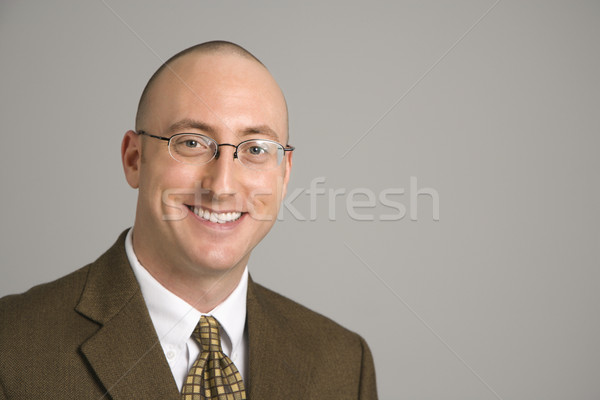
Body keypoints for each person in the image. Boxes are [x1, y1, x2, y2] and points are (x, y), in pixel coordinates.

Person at [0, 41, 377, 399]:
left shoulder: (343, 363)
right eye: (192, 142)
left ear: (284, 174)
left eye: (256, 149)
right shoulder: (11, 347)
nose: (222, 186)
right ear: (134, 159)